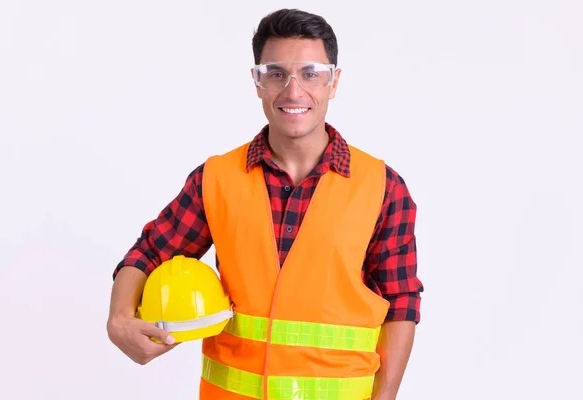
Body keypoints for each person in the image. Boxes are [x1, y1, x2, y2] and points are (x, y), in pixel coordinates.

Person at [107, 8, 424, 400]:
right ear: (257, 82)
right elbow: (150, 252)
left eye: (311, 73)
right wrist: (118, 319)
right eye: (276, 73)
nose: (293, 90)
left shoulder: (383, 188)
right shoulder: (216, 179)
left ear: (333, 81)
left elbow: (401, 303)